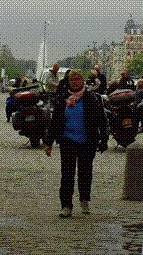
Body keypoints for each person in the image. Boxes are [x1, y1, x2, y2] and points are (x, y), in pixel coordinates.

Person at [44, 69, 108, 218]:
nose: (75, 82)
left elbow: (102, 119)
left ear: (82, 81)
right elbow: (55, 122)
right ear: (69, 82)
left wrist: (104, 139)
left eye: (78, 79)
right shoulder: (62, 98)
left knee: (85, 173)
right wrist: (49, 142)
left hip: (87, 141)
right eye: (72, 80)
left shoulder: (92, 98)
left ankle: (84, 199)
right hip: (67, 140)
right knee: (67, 174)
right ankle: (66, 205)